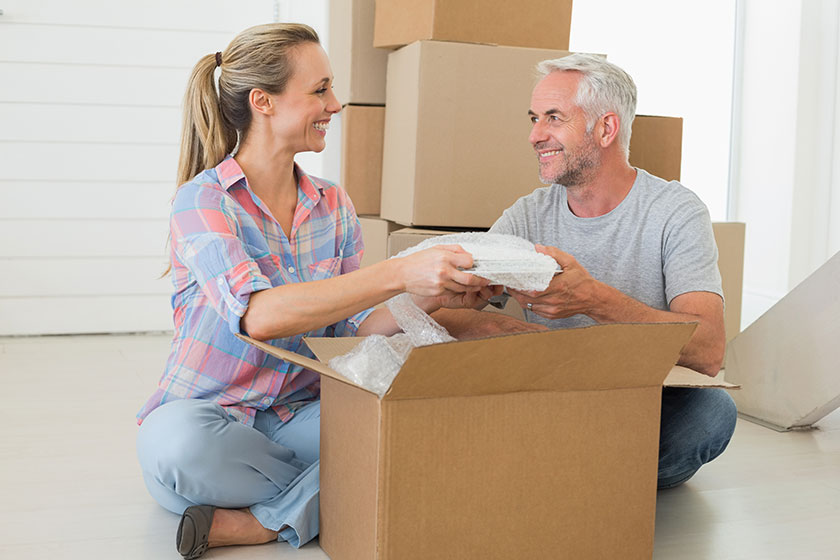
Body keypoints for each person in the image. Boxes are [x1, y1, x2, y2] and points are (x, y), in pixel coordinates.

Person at [135, 23, 496, 559]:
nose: (336, 103)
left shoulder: (332, 204)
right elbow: (258, 316)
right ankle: (339, 487)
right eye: (320, 89)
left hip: (301, 412)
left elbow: (349, 335)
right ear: (264, 102)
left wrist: (431, 294)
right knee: (178, 447)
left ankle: (260, 522)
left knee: (426, 429)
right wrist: (399, 273)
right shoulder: (203, 202)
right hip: (210, 419)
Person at [435, 53, 737, 489]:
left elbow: (709, 349)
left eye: (553, 118)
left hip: (641, 400)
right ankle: (589, 473)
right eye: (534, 119)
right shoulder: (528, 216)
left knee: (710, 415)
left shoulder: (675, 211)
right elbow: (442, 308)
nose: (535, 135)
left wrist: (595, 300)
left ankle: (565, 471)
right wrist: (512, 332)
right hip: (552, 399)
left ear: (606, 129)